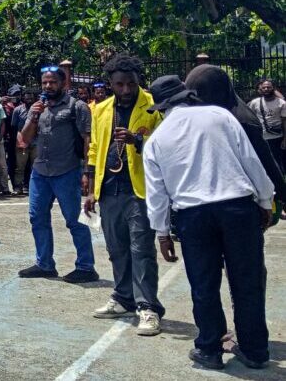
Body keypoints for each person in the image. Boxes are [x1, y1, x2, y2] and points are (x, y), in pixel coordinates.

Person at [144, 75, 274, 370]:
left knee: (204, 285)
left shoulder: (157, 139)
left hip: (193, 216)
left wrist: (162, 233)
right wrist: (265, 200)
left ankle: (209, 349)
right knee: (247, 282)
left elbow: (157, 193)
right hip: (238, 208)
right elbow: (250, 162)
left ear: (161, 107)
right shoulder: (220, 115)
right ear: (187, 95)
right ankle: (255, 350)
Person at [83, 55, 165, 336]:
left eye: (131, 84)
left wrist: (137, 140)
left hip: (139, 188)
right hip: (108, 188)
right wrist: (91, 185)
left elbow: (166, 144)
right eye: (120, 84)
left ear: (138, 81)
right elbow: (94, 147)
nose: (126, 90)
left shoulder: (154, 106)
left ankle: (148, 307)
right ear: (111, 84)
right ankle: (122, 297)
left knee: (141, 248)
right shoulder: (101, 109)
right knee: (116, 247)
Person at [19, 65, 98, 283]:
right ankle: (45, 264)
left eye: (52, 82)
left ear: (63, 83)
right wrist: (33, 116)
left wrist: (86, 172)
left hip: (67, 171)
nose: (47, 86)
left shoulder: (78, 107)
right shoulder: (37, 107)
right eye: (44, 82)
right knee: (37, 218)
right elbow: (25, 138)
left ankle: (86, 266)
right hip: (40, 172)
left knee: (75, 220)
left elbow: (87, 141)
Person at [186, 65, 286, 211]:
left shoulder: (241, 120)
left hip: (232, 200)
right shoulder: (192, 116)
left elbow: (261, 159)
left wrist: (280, 194)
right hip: (211, 201)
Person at [248, 79, 286, 171]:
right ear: (261, 89)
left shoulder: (281, 103)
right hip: (262, 138)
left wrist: (285, 139)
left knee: (282, 162)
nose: (266, 89)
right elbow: (250, 117)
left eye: (268, 87)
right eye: (264, 87)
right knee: (266, 164)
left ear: (273, 88)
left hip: (278, 138)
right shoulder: (255, 103)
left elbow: (284, 122)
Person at [10, 89, 39, 195]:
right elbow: (14, 127)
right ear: (23, 98)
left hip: (36, 141)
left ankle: (34, 187)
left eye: (31, 97)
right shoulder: (18, 110)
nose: (29, 99)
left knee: (35, 166)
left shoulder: (39, 109)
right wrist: (18, 141)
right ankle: (18, 187)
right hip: (21, 141)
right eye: (26, 97)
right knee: (20, 167)